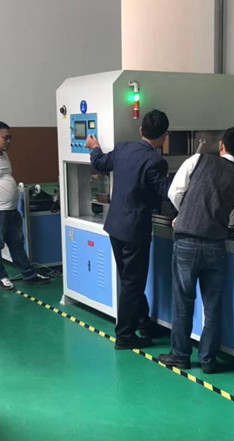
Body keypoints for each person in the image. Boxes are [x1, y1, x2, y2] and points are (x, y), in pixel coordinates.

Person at [158, 127, 234, 373]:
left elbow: (174, 192)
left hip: (186, 242)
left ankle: (180, 355)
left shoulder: (197, 160)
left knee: (183, 301)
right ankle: (208, 360)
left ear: (221, 145)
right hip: (216, 246)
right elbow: (231, 217)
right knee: (212, 305)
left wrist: (184, 215)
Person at [85, 109, 170, 350]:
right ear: (164, 137)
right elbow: (166, 194)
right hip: (134, 230)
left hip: (115, 227)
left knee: (129, 279)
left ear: (141, 130)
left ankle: (144, 323)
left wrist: (94, 147)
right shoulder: (156, 161)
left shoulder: (123, 149)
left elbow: (99, 163)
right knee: (133, 283)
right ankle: (124, 335)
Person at [0, 121, 51, 290]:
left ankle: (29, 275)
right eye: (5, 138)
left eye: (10, 138)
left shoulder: (3, 155)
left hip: (11, 209)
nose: (9, 141)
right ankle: (1, 277)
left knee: (17, 244)